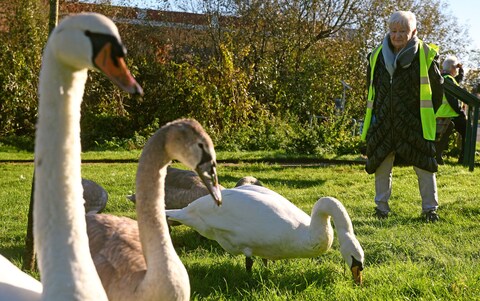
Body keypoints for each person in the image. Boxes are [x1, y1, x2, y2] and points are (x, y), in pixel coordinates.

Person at [360, 11, 444, 222]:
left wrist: (425, 114)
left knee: (425, 166)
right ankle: (381, 208)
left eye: (403, 31)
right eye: (393, 31)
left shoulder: (425, 55)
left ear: (413, 31)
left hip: (414, 121)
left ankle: (429, 210)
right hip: (384, 121)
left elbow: (437, 89)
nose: (397, 35)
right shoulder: (376, 55)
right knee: (381, 165)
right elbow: (372, 88)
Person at [435, 55, 467, 164]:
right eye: (456, 68)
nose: (457, 70)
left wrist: (461, 69)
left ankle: (440, 155)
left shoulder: (444, 78)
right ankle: (464, 158)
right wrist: (461, 113)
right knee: (468, 131)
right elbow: (452, 100)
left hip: (441, 113)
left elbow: (459, 79)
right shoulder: (449, 80)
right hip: (450, 114)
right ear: (453, 68)